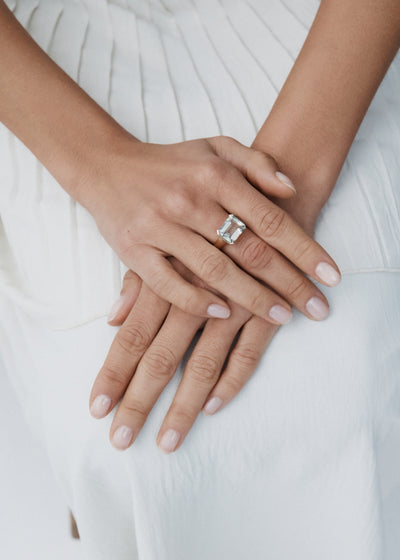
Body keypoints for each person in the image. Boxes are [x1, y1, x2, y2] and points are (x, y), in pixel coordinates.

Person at [0, 0, 399, 558]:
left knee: (336, 368)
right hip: (35, 54)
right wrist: (100, 164)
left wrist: (280, 189)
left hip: (339, 33)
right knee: (120, 427)